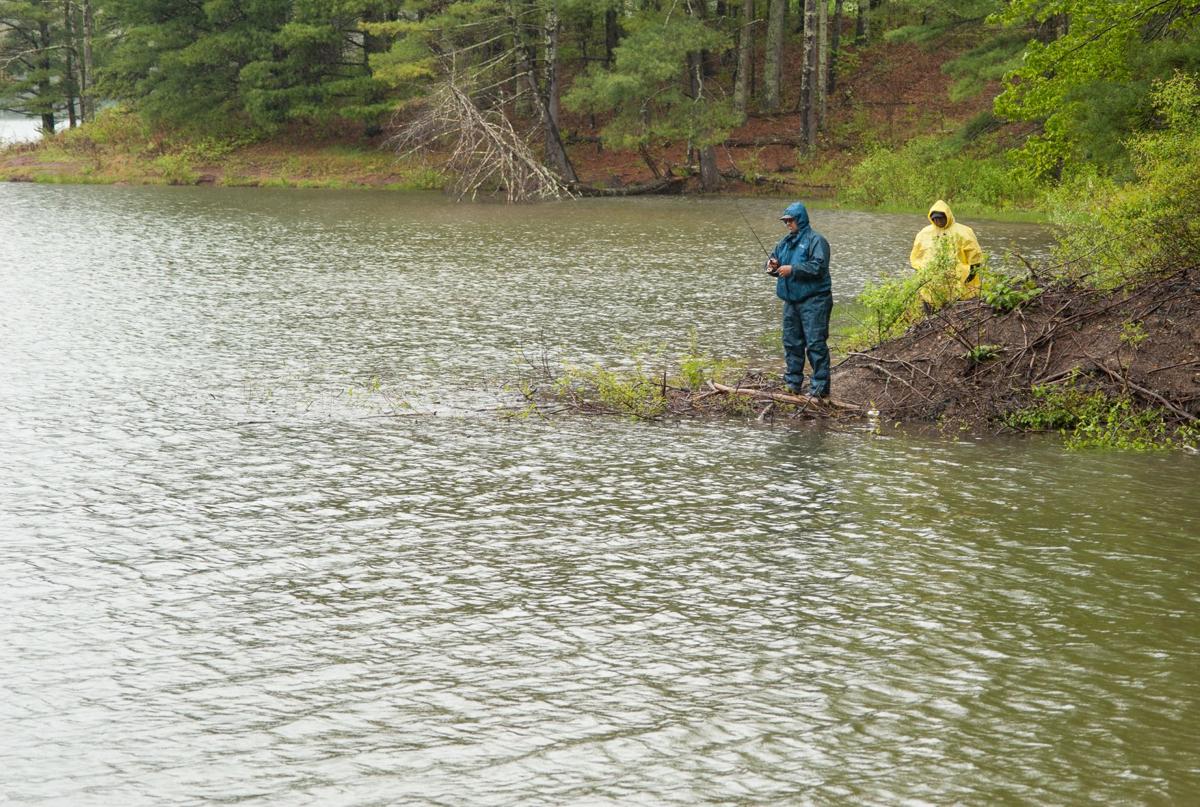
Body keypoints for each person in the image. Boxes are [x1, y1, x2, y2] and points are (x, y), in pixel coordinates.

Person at [765, 201, 833, 398]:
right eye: (785, 221)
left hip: (815, 301)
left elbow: (818, 267)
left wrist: (793, 269)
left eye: (791, 220)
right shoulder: (784, 243)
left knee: (815, 344)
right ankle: (792, 384)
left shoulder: (816, 241)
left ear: (800, 219)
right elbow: (772, 264)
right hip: (791, 302)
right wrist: (772, 266)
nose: (788, 224)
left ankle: (819, 388)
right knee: (791, 343)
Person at [909, 199, 984, 304]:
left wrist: (970, 276)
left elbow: (975, 256)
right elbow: (917, 255)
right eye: (935, 219)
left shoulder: (964, 232)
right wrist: (920, 272)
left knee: (958, 302)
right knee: (931, 303)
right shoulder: (925, 233)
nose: (938, 222)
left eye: (940, 218)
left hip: (959, 278)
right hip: (933, 279)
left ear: (947, 216)